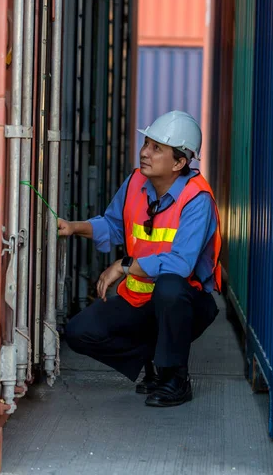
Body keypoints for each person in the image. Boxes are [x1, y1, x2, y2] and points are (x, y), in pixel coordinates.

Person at [58, 110, 222, 407]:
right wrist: (73, 227)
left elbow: (181, 264)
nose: (144, 152)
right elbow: (112, 225)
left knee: (170, 287)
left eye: (156, 148)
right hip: (140, 298)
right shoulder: (135, 182)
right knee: (78, 332)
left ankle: (174, 379)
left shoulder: (197, 200)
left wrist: (124, 266)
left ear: (179, 162)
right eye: (146, 143)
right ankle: (153, 358)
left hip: (186, 302)